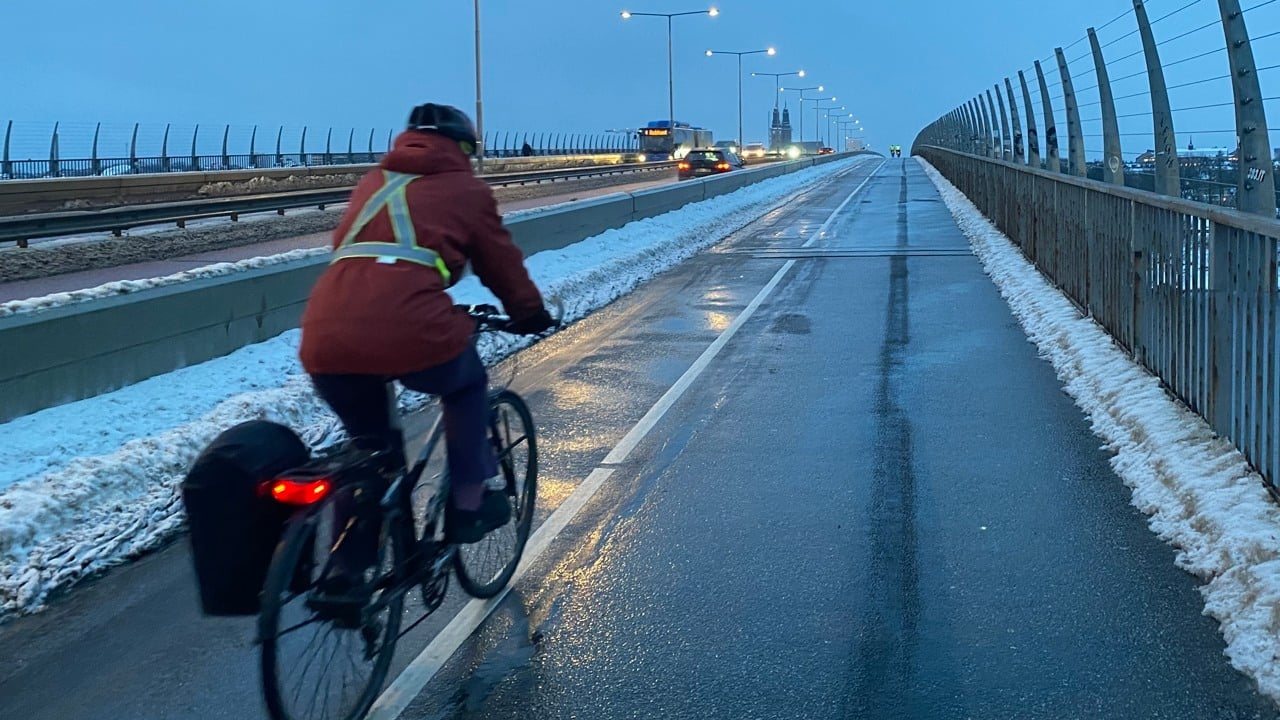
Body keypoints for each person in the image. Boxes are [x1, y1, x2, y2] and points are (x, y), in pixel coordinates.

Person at [298, 103, 556, 595]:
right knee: (466, 385)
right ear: (463, 148)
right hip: (408, 328)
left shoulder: (373, 183)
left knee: (372, 450)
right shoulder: (466, 189)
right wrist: (529, 313)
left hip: (325, 331)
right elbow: (499, 262)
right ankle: (469, 503)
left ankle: (345, 573)